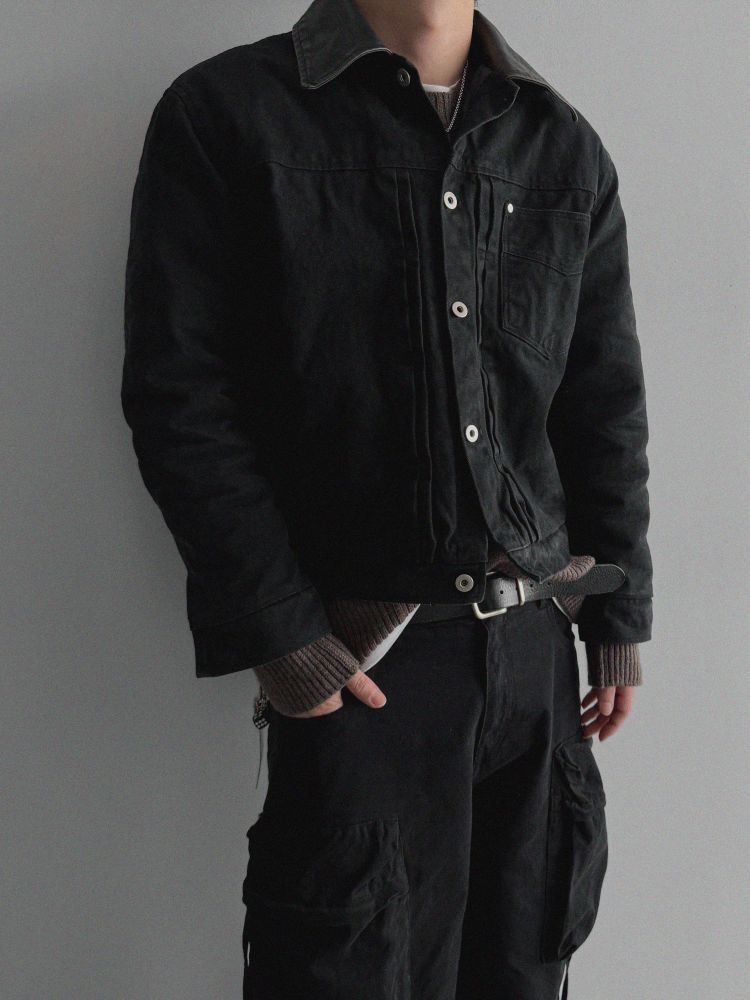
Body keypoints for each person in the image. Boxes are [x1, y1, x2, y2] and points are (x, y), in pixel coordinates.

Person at [121, 0, 653, 997]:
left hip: (539, 670)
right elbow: (180, 397)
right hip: (365, 668)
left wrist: (618, 617)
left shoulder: (562, 145)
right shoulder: (228, 114)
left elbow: (602, 402)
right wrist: (285, 639)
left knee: (526, 964)